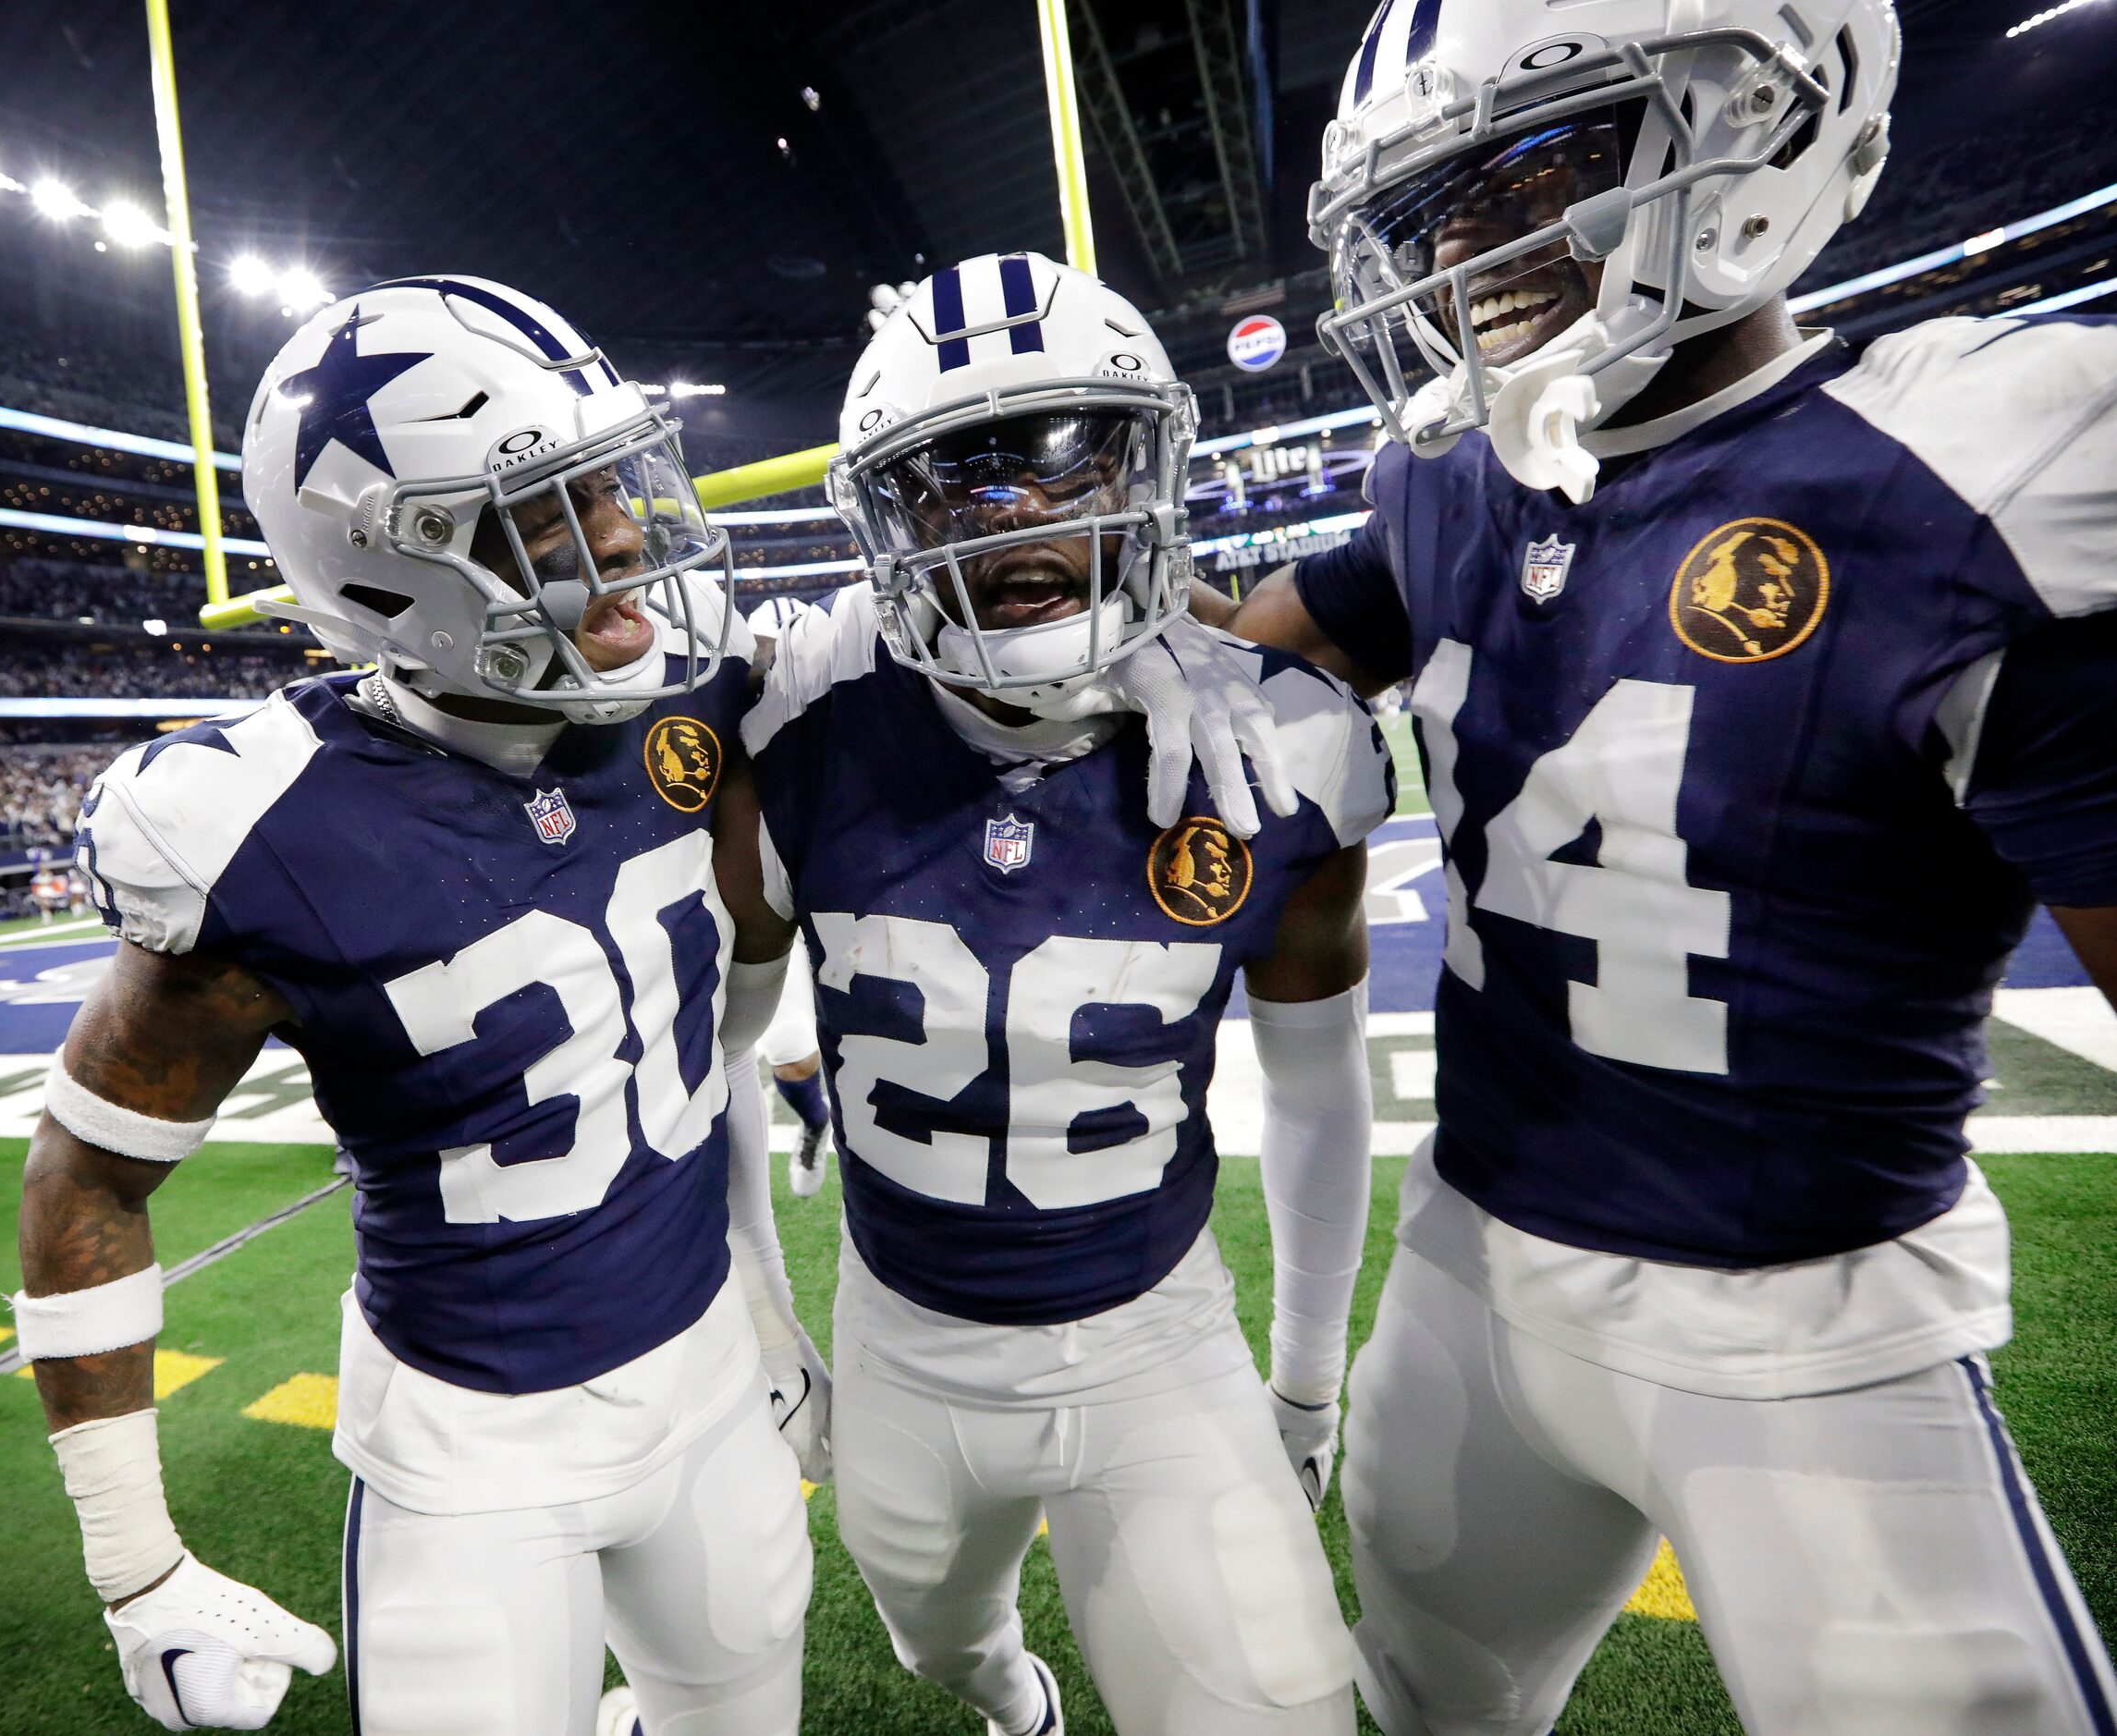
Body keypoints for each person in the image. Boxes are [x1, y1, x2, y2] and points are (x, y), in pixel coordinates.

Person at [1198, 4, 2117, 1732]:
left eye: (1525, 162)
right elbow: (1275, 654)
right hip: (1470, 1267)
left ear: (1754, 114)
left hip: (1814, 1335)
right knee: (1416, 1703)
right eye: (1429, 206)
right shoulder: (1448, 479)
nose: (1466, 243)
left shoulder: (1969, 482)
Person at [18, 277, 829, 1736]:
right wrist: (135, 1567)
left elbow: (711, 1064)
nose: (628, 536)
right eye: (554, 513)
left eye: (610, 487)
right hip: (468, 1455)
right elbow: (87, 1178)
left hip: (710, 1388)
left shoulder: (692, 695)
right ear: (399, 564)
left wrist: (764, 1309)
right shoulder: (263, 826)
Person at [742, 253, 1391, 1736]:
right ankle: (1011, 1704)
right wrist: (762, 1314)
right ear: (882, 522)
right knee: (940, 1646)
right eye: (955, 481)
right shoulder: (791, 711)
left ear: (1149, 464)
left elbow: (1316, 1077)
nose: (1024, 509)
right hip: (905, 1340)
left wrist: (1303, 1379)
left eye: (1069, 457)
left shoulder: (1286, 741)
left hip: (1162, 1343)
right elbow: (706, 1056)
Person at [743, 594, 837, 1198]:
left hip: (831, 891)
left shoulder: (852, 709)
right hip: (757, 896)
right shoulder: (726, 717)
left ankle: (822, 1121)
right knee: (789, 1051)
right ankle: (814, 1121)